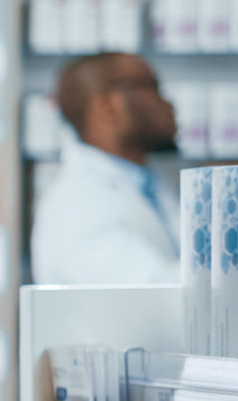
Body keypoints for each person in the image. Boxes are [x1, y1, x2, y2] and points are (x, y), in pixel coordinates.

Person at [31, 53, 180, 285]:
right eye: (152, 88)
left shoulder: (146, 184)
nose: (169, 104)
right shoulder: (78, 204)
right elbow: (154, 290)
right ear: (108, 107)